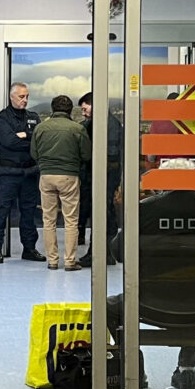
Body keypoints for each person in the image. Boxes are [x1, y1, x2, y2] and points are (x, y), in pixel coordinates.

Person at [105, 158, 195, 389]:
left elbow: (118, 252)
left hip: (151, 299)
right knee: (193, 290)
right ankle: (187, 370)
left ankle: (135, 368)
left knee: (108, 307)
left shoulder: (144, 209)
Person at [30, 94, 92, 271]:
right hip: (69, 176)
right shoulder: (77, 129)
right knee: (71, 220)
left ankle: (52, 261)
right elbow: (86, 154)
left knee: (48, 220)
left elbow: (34, 154)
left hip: (46, 176)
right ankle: (70, 261)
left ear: (52, 109)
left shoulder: (41, 128)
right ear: (70, 110)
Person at [0, 83, 44, 264]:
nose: (25, 100)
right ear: (11, 96)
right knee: (2, 210)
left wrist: (23, 135)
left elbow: (38, 141)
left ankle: (29, 249)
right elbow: (9, 141)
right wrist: (27, 137)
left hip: (30, 171)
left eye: (27, 96)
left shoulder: (33, 117)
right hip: (9, 172)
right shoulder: (2, 118)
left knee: (29, 212)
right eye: (21, 96)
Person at [76, 91, 124, 266]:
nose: (84, 113)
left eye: (85, 109)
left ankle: (99, 253)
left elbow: (110, 154)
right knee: (105, 212)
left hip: (104, 176)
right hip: (102, 175)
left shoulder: (108, 125)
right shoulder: (103, 123)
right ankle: (105, 252)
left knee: (102, 213)